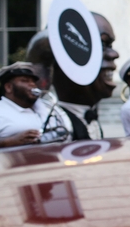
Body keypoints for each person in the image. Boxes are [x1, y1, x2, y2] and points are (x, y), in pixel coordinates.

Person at [26, 12, 120, 140]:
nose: (114, 54)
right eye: (102, 44)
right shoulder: (47, 122)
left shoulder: (89, 115)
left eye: (110, 45)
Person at [0, 62, 67, 150]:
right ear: (8, 87)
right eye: (25, 81)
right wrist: (9, 141)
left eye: (33, 81)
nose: (32, 84)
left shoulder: (43, 110)